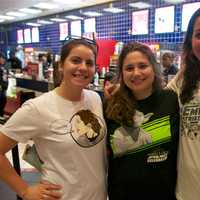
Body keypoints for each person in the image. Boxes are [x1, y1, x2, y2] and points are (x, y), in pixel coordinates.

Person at [0, 36, 107, 200]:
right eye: (76, 60)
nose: (83, 68)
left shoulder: (94, 99)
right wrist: (25, 191)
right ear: (61, 65)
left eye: (89, 63)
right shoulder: (37, 108)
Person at [104, 42, 179, 200]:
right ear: (122, 73)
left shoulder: (171, 100)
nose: (136, 73)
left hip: (163, 195)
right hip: (121, 194)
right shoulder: (111, 105)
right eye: (129, 68)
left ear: (153, 67)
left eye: (142, 66)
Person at [166, 8, 200, 200]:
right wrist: (122, 93)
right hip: (187, 192)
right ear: (190, 41)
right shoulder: (184, 79)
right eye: (199, 34)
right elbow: (155, 101)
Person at [0, 52, 8, 116]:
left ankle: (1, 114)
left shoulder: (3, 67)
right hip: (1, 87)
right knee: (2, 100)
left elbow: (4, 77)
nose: (4, 60)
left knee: (3, 101)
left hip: (3, 87)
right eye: (2, 58)